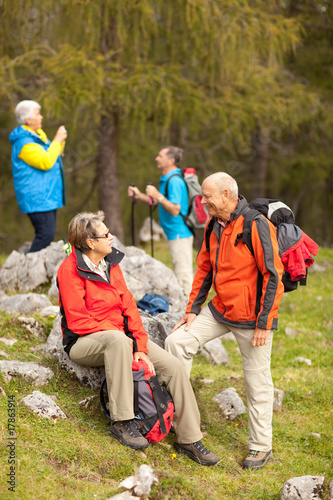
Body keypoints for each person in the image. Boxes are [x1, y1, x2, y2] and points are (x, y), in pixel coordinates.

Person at [56, 210, 218, 466]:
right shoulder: (69, 270)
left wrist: (139, 347)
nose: (112, 237)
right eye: (106, 234)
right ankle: (122, 422)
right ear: (90, 243)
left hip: (122, 338)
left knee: (173, 367)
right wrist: (123, 338)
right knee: (117, 341)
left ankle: (189, 437)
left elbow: (129, 307)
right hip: (83, 342)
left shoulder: (111, 263)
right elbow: (77, 320)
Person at [165, 172, 284, 471]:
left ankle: (260, 447)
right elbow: (205, 268)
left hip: (252, 318)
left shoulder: (256, 225)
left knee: (257, 382)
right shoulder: (213, 225)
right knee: (176, 342)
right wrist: (193, 309)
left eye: (207, 196)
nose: (202, 201)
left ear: (226, 196)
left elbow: (273, 276)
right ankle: (183, 425)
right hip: (220, 310)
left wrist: (264, 323)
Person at [127, 146, 193, 295]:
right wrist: (140, 196)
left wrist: (157, 195)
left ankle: (190, 310)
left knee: (183, 274)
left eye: (160, 156)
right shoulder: (166, 179)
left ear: (171, 160)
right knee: (180, 272)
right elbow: (159, 202)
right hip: (172, 232)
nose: (157, 158)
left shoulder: (175, 181)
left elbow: (175, 209)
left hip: (179, 233)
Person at [9, 100, 66, 252]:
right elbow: (45, 161)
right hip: (37, 197)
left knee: (48, 235)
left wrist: (60, 142)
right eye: (37, 114)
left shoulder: (38, 135)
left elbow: (53, 155)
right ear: (28, 120)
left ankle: (34, 269)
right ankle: (27, 270)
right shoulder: (24, 143)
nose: (41, 117)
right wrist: (57, 140)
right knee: (45, 236)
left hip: (47, 195)